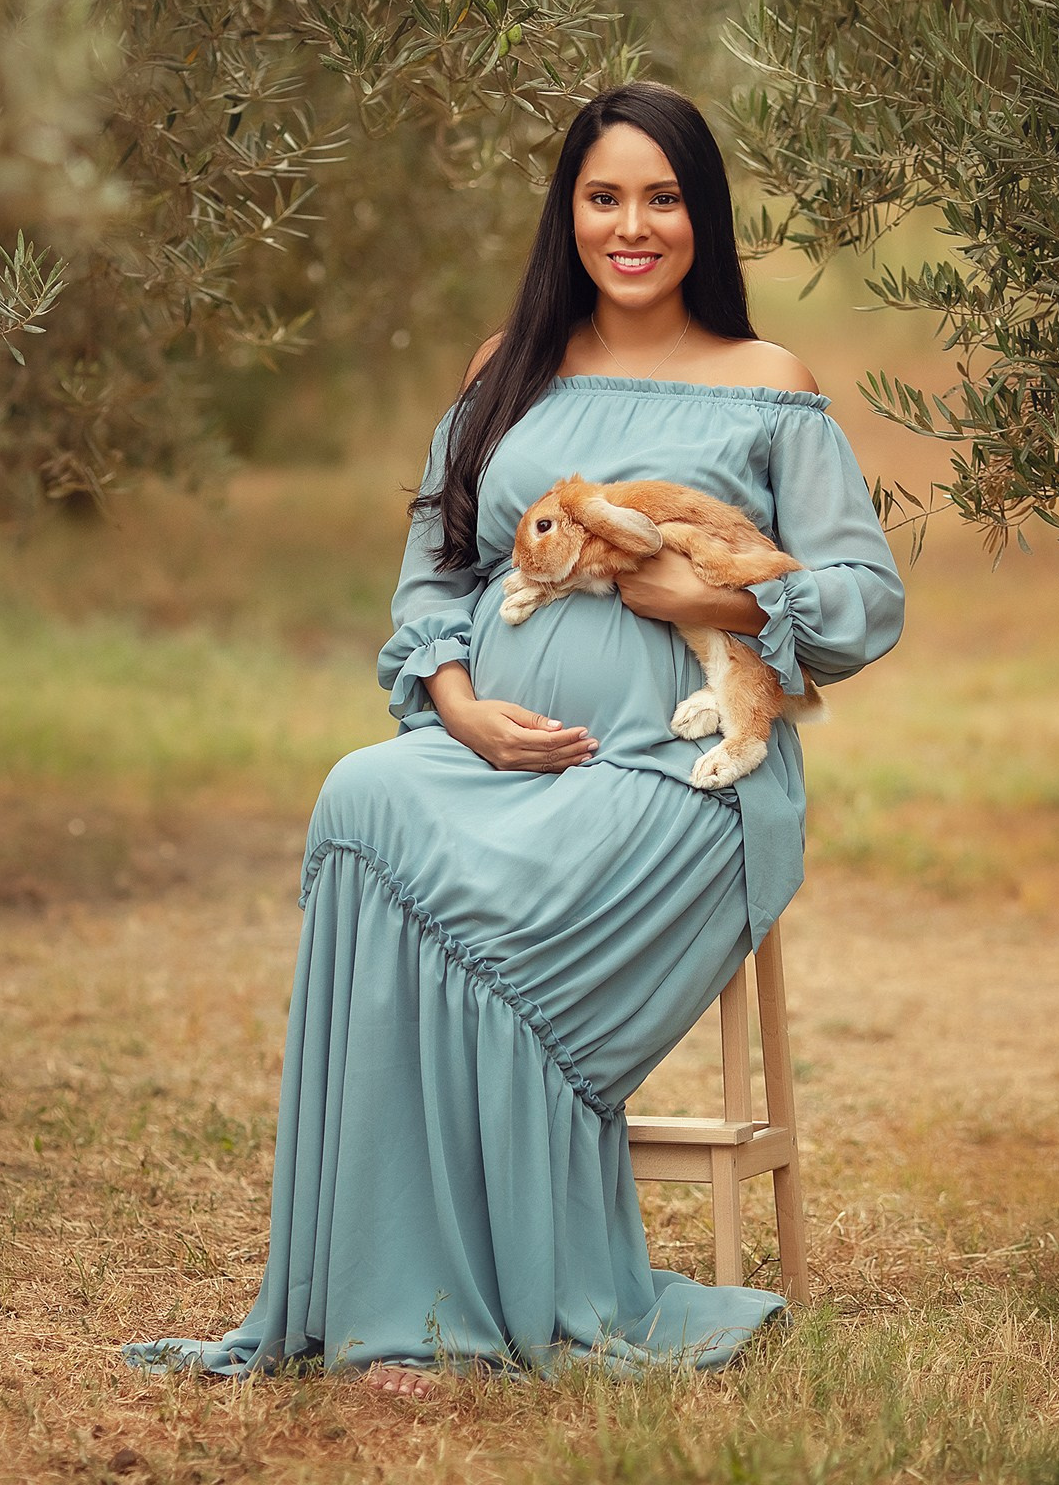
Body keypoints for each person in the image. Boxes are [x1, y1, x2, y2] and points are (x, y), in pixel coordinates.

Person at [124, 82, 905, 1390]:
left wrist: (708, 596)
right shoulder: (508, 372)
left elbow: (864, 603)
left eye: (661, 198)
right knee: (362, 799)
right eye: (604, 197)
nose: (631, 225)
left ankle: (454, 1314)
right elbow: (434, 575)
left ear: (701, 218)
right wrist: (458, 708)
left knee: (481, 894)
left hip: (675, 778)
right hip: (496, 756)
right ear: (569, 213)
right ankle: (393, 1304)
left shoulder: (766, 389)